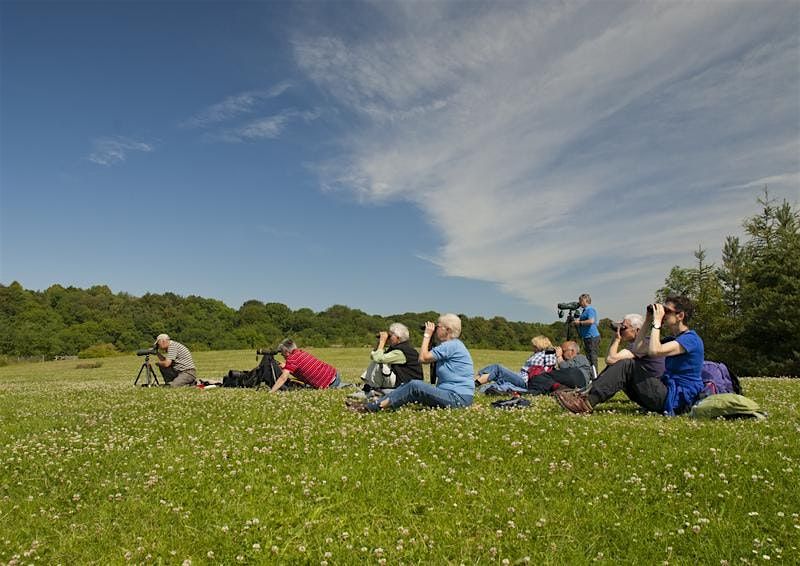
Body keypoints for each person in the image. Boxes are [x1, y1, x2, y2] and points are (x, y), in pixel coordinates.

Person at [555, 295, 704, 416]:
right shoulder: (674, 340)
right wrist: (647, 320)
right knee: (626, 363)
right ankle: (585, 396)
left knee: (627, 365)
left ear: (680, 316)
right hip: (666, 394)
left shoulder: (691, 339)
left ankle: (585, 402)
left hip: (677, 400)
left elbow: (654, 350)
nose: (663, 313)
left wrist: (656, 323)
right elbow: (639, 347)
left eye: (667, 311)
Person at [348, 313, 474, 412]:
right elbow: (429, 355)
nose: (435, 329)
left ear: (448, 330)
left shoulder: (451, 346)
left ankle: (369, 408)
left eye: (438, 327)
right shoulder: (451, 346)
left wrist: (427, 335)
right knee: (407, 386)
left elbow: (423, 358)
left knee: (415, 385)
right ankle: (372, 404)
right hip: (452, 395)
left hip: (457, 398)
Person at [351, 322, 423, 399]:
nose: (388, 338)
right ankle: (370, 388)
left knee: (380, 363)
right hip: (404, 381)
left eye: (390, 335)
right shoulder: (398, 348)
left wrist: (382, 342)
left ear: (398, 337)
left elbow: (378, 359)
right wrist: (379, 344)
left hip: (407, 385)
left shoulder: (402, 351)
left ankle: (370, 390)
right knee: (378, 361)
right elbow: (374, 356)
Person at [475, 335, 556, 394]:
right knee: (498, 380)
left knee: (497, 368)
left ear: (541, 344)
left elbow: (549, 368)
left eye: (535, 345)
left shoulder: (549, 352)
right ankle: (475, 385)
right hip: (521, 376)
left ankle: (474, 383)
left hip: (527, 380)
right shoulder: (536, 353)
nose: (533, 347)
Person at [271, 339, 343, 392]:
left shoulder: (291, 359)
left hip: (329, 385)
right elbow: (300, 367)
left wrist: (271, 392)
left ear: (286, 352)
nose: (282, 355)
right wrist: (285, 366)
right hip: (335, 375)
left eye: (282, 353)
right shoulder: (300, 352)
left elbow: (283, 378)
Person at [526, 340, 593, 395]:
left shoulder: (581, 357)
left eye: (563, 351)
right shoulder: (567, 360)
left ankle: (533, 390)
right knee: (543, 379)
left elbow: (565, 368)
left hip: (579, 377)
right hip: (571, 381)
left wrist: (559, 356)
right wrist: (550, 350)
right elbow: (543, 353)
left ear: (572, 351)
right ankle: (535, 392)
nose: (562, 353)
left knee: (541, 377)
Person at [573, 293, 601, 372]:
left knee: (592, 358)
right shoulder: (585, 311)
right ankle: (590, 375)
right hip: (587, 337)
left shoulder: (590, 309)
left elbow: (591, 321)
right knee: (589, 357)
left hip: (592, 337)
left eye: (580, 300)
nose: (579, 302)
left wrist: (580, 323)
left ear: (585, 300)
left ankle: (595, 377)